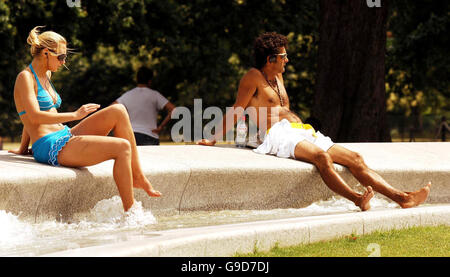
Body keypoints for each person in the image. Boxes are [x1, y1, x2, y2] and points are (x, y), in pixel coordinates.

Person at [198, 32, 431, 211]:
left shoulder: (278, 76)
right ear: (270, 59)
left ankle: (403, 198)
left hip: (299, 131)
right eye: (283, 56)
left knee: (355, 158)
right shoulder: (252, 77)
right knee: (322, 157)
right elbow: (237, 110)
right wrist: (212, 139)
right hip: (274, 135)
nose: (287, 60)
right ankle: (358, 199)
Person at [10, 26, 161, 212]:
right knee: (122, 147)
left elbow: (31, 114)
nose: (64, 63)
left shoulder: (46, 75)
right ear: (46, 53)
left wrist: (24, 148)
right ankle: (131, 213)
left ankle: (137, 175)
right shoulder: (25, 77)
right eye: (61, 57)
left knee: (118, 110)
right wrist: (75, 115)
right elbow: (32, 116)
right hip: (50, 146)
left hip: (63, 135)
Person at [112, 67, 175, 145]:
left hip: (131, 135)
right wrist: (161, 127)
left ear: (137, 79)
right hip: (150, 136)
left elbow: (112, 108)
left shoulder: (128, 95)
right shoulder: (154, 95)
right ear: (150, 81)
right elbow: (173, 109)